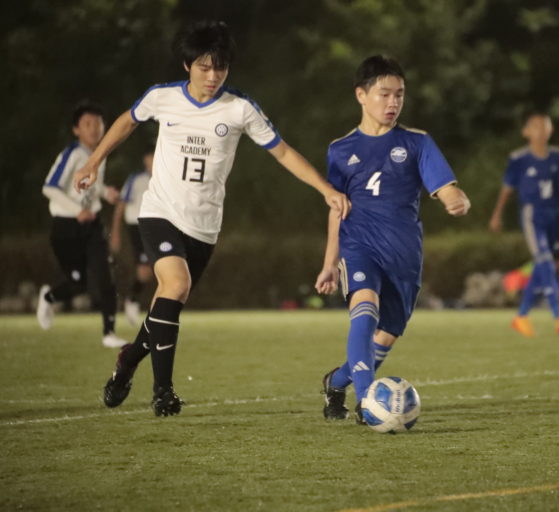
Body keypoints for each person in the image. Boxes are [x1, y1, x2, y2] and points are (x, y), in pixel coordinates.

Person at [73, 21, 350, 417]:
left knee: (168, 303)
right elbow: (127, 121)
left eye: (220, 67)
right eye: (204, 67)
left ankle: (129, 359)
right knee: (176, 284)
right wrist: (95, 161)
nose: (213, 76)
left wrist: (324, 189)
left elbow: (283, 152)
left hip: (203, 226)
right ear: (187, 65)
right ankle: (163, 392)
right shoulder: (163, 97)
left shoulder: (240, 108)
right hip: (160, 212)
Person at [315, 55, 470, 423]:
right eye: (384, 94)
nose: (393, 102)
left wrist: (456, 198)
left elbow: (445, 187)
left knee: (384, 338)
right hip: (359, 246)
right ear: (361, 95)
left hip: (404, 255)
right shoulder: (340, 150)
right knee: (364, 310)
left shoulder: (417, 142)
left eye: (399, 94)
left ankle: (336, 381)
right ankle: (368, 401)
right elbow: (337, 208)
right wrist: (329, 263)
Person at [37, 102, 128, 348]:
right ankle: (49, 297)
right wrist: (77, 210)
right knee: (78, 283)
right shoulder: (72, 154)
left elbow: (92, 187)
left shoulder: (99, 154)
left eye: (98, 124)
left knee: (105, 274)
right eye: (87, 124)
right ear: (76, 129)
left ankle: (109, 333)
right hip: (66, 226)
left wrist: (106, 193)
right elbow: (49, 187)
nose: (94, 129)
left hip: (93, 225)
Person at [488, 112, 559, 337]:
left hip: (554, 215)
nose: (541, 131)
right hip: (533, 215)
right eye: (537, 127)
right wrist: (497, 214)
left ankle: (521, 316)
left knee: (547, 267)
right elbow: (507, 189)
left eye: (545, 127)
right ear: (526, 132)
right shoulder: (519, 158)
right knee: (545, 261)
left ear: (551, 131)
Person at [110, 147, 154, 325]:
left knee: (152, 270)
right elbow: (121, 205)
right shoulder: (136, 179)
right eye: (150, 157)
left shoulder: (165, 178)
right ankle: (132, 300)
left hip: (155, 226)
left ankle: (133, 299)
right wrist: (115, 232)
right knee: (144, 269)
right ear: (145, 159)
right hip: (137, 225)